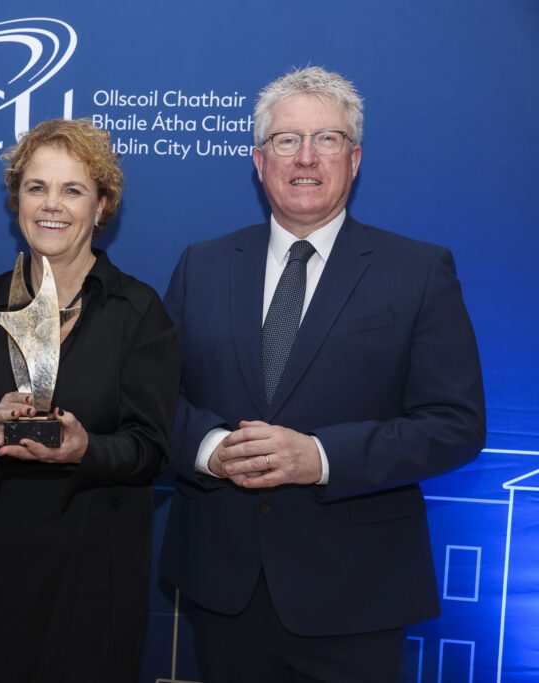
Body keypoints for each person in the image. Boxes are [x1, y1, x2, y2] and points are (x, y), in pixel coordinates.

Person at [160, 66, 486, 682]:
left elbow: (455, 424)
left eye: (327, 140)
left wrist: (321, 457)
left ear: (355, 159)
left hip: (356, 593)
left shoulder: (417, 271)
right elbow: (154, 399)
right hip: (224, 585)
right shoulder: (201, 265)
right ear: (259, 161)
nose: (305, 157)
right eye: (286, 140)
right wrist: (210, 449)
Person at [0, 118, 181, 682]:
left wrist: (84, 448)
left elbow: (151, 449)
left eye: (72, 190)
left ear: (102, 206)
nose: (52, 206)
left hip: (93, 580)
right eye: (36, 187)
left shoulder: (140, 312)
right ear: (17, 201)